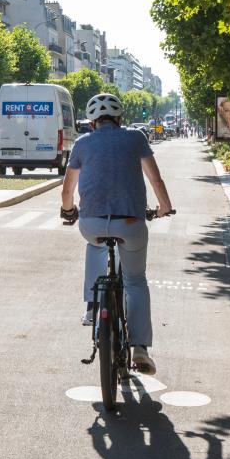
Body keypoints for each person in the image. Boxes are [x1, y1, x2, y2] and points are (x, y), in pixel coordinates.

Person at [60, 93, 173, 376]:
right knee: (135, 281)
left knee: (95, 244)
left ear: (93, 122)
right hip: (131, 221)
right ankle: (140, 349)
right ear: (120, 118)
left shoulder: (83, 143)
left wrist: (69, 211)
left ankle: (92, 306)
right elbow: (155, 178)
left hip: (93, 223)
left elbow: (67, 190)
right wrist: (164, 207)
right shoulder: (136, 138)